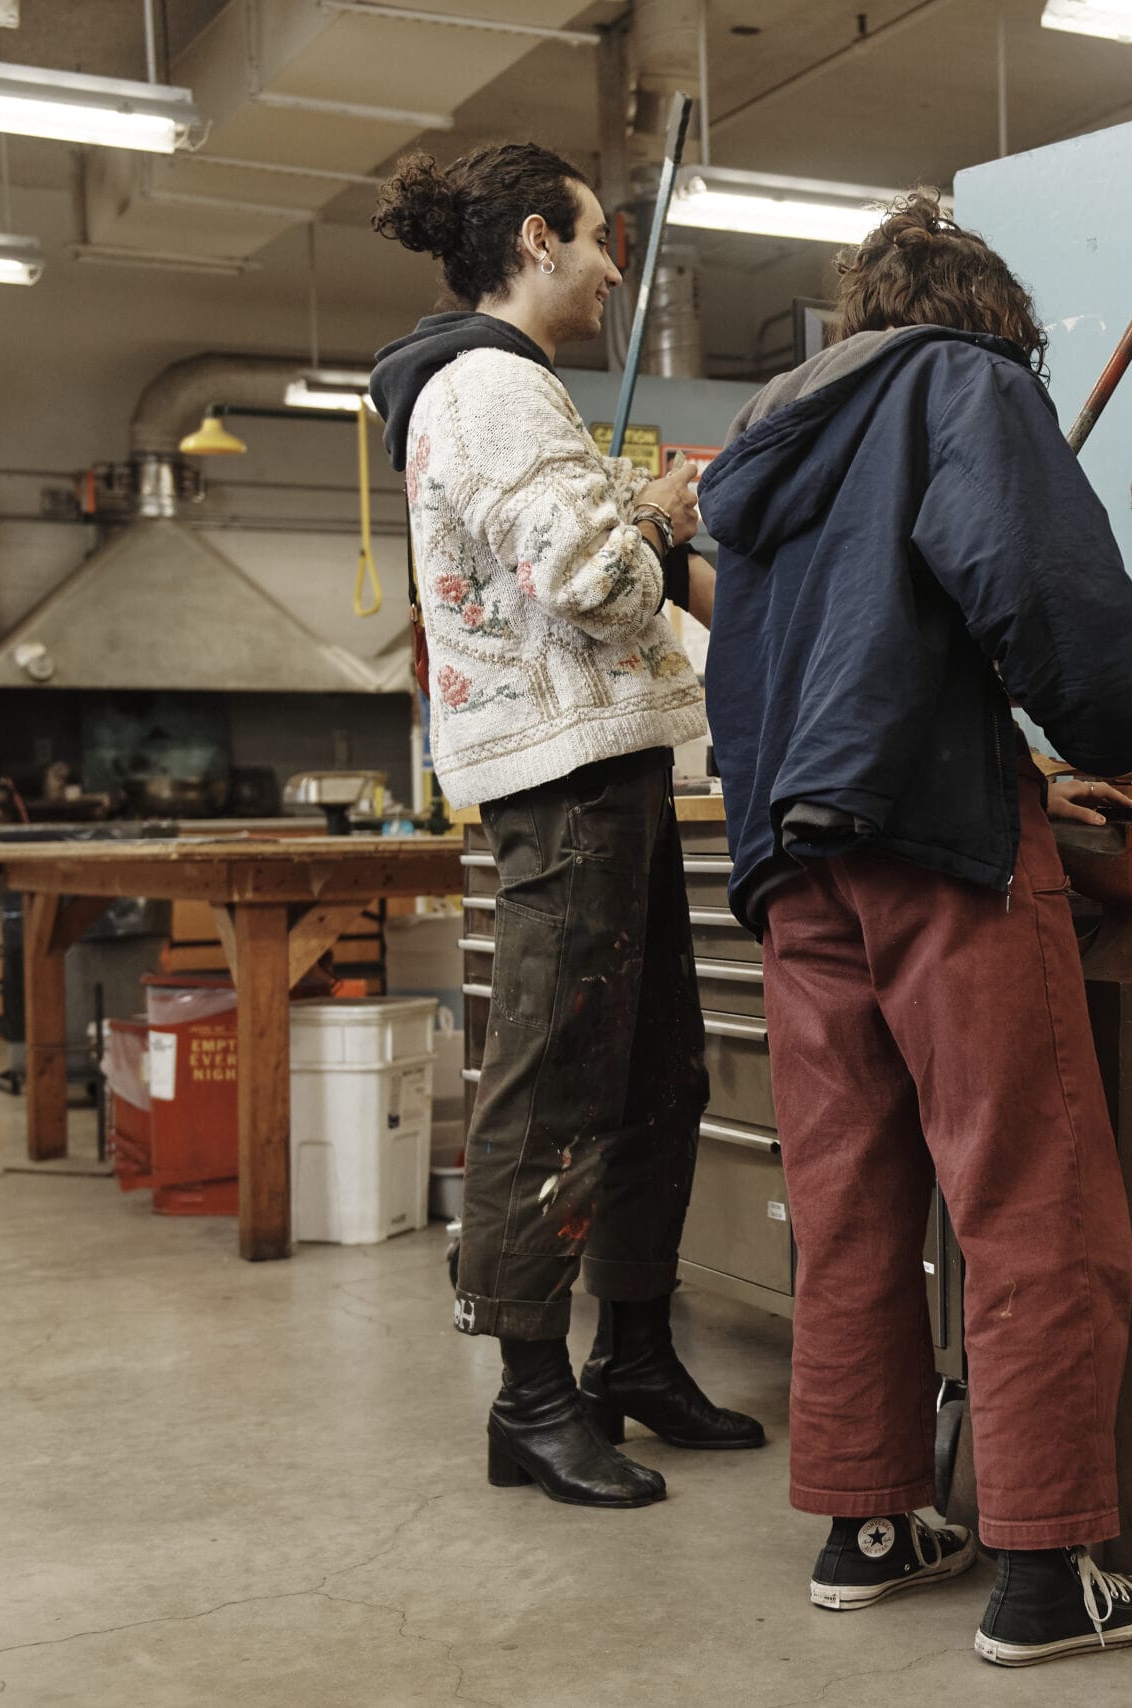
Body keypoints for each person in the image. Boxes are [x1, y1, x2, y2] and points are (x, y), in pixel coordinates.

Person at [696, 194, 1132, 1667]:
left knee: (848, 1205)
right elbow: (1042, 590)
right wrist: (1109, 725)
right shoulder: (969, 383)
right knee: (1030, 1195)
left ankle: (870, 1519)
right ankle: (1049, 1572)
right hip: (932, 828)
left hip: (790, 853)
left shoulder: (776, 444)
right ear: (987, 311)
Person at [367, 141, 763, 1511]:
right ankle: (531, 1398)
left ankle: (633, 1356)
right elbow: (589, 575)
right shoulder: (490, 388)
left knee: (658, 1075)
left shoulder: (505, 390)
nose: (609, 268)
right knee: (548, 1092)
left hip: (604, 763)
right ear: (537, 239)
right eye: (596, 241)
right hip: (564, 778)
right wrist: (657, 510)